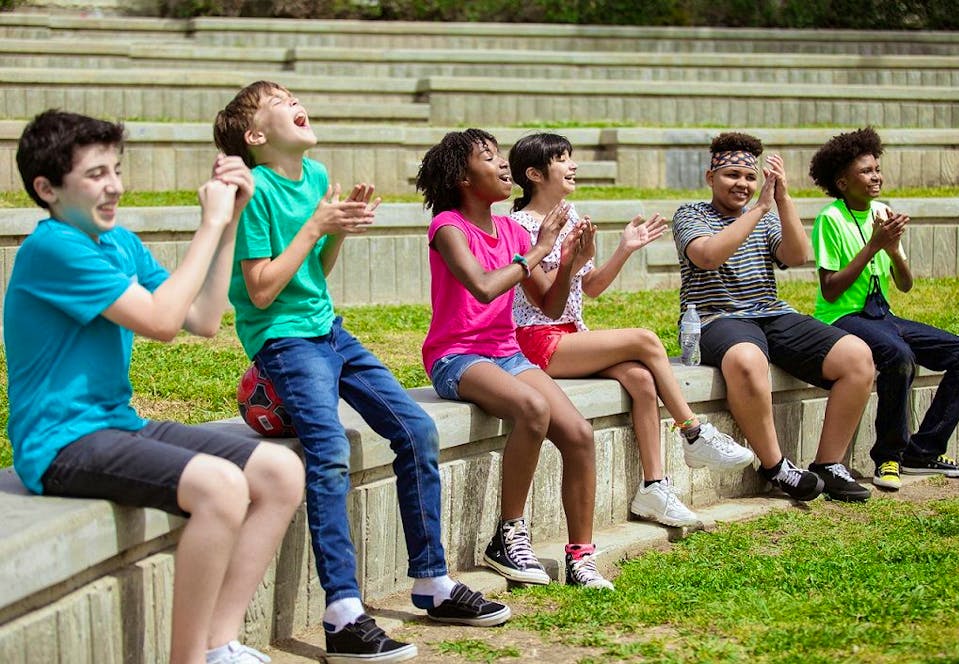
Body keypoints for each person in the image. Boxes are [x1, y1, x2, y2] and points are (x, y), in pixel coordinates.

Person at [213, 81, 509, 663]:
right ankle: (342, 613)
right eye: (283, 102)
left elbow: (314, 275)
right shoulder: (256, 192)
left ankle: (432, 582)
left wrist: (336, 234)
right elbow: (262, 288)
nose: (299, 103)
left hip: (330, 331)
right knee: (328, 452)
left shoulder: (317, 176)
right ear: (256, 136)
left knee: (417, 429)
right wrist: (318, 228)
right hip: (284, 341)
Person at [4, 109, 304, 664]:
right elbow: (162, 323)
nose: (114, 185)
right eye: (95, 174)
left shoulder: (117, 243)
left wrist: (231, 219)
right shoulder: (52, 248)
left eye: (115, 169)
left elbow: (202, 318)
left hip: (117, 425)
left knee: (280, 471)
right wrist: (207, 225)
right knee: (219, 487)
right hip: (59, 444)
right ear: (47, 188)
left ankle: (219, 643)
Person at [506, 132, 756, 528]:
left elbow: (592, 287)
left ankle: (654, 487)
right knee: (644, 339)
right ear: (534, 174)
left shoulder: (572, 217)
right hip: (535, 340)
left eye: (572, 157)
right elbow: (542, 302)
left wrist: (625, 247)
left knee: (640, 379)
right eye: (562, 159)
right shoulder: (517, 226)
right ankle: (692, 432)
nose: (573, 166)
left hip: (571, 334)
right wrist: (570, 259)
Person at [415, 128, 615, 592]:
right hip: (457, 356)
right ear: (463, 177)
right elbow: (483, 286)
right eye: (488, 158)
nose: (503, 165)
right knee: (533, 409)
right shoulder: (448, 226)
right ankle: (508, 535)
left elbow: (548, 306)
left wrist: (567, 262)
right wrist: (540, 251)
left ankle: (580, 557)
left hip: (506, 353)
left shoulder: (508, 229)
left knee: (580, 434)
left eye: (501, 156)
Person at [671, 132, 877, 503]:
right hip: (715, 319)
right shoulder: (691, 214)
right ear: (710, 178)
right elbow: (707, 256)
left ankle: (828, 464)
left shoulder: (764, 217)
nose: (742, 184)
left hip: (771, 313)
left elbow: (797, 256)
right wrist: (759, 210)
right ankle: (776, 466)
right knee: (749, 361)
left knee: (857, 356)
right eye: (732, 174)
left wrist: (782, 200)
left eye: (750, 177)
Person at [808, 127, 959, 491]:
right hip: (843, 318)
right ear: (842, 182)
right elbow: (831, 289)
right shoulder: (830, 219)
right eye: (867, 171)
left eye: (877, 169)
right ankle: (888, 457)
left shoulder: (882, 213)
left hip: (881, 315)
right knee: (898, 355)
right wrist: (873, 246)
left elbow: (905, 284)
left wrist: (892, 250)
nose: (877, 176)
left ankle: (924, 450)